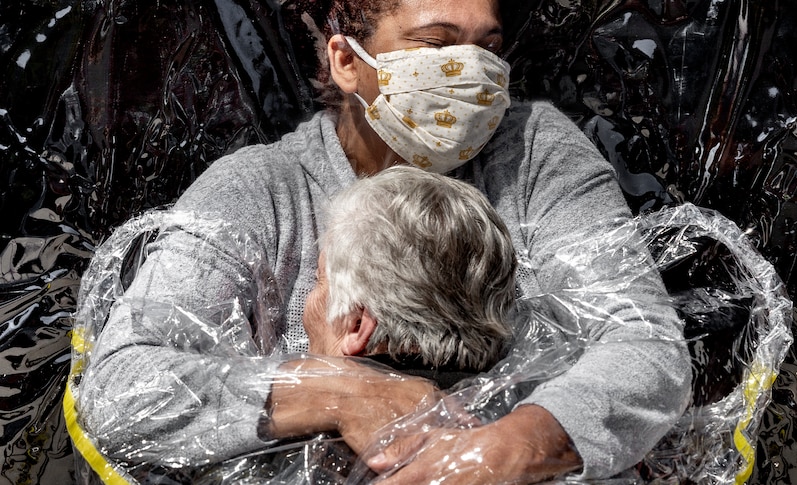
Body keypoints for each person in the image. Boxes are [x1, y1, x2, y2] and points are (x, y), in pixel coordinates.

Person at [76, 0, 692, 483]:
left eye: (489, 47)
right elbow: (122, 392)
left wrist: (511, 448)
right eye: (437, 44)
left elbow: (644, 346)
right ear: (348, 62)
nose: (473, 72)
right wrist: (337, 392)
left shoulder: (536, 156)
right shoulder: (258, 192)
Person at [303, 165, 517, 383]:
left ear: (358, 325)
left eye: (318, 281)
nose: (307, 301)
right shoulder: (518, 404)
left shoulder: (286, 410)